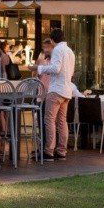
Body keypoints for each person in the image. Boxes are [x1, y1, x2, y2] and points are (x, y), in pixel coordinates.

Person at [36, 28, 75, 161]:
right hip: (66, 90)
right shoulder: (69, 51)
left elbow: (56, 68)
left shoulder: (57, 49)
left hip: (56, 89)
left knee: (49, 120)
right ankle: (61, 150)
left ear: (52, 40)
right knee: (62, 121)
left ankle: (49, 151)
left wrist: (39, 68)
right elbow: (70, 71)